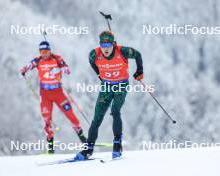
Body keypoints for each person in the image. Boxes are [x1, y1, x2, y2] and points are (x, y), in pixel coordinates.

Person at [75, 31, 143, 160]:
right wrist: (99, 74)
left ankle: (117, 145)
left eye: (108, 44)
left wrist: (139, 71)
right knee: (97, 117)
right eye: (103, 44)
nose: (105, 48)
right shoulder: (94, 54)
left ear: (113, 44)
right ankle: (88, 149)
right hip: (106, 86)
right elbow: (91, 62)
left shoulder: (122, 51)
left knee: (115, 110)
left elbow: (138, 54)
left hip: (121, 85)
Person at [20, 41, 87, 154]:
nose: (44, 54)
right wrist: (23, 70)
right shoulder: (37, 60)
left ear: (50, 50)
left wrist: (60, 69)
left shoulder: (57, 58)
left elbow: (67, 70)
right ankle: (50, 148)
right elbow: (28, 66)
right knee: (47, 120)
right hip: (45, 95)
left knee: (71, 115)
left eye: (46, 51)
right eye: (41, 52)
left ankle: (84, 140)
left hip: (58, 93)